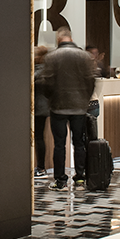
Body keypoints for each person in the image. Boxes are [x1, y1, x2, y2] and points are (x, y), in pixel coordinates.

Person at [44, 28, 96, 190]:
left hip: (58, 107)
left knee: (59, 145)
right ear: (71, 38)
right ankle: (80, 178)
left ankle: (60, 180)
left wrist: (51, 98)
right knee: (79, 143)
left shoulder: (51, 57)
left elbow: (47, 82)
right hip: (79, 108)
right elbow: (91, 81)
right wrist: (85, 99)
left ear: (58, 39)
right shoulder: (85, 56)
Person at [33, 45, 51, 177]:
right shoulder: (49, 70)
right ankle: (41, 167)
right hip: (46, 108)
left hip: (38, 109)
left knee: (39, 137)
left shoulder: (37, 72)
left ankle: (41, 167)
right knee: (40, 137)